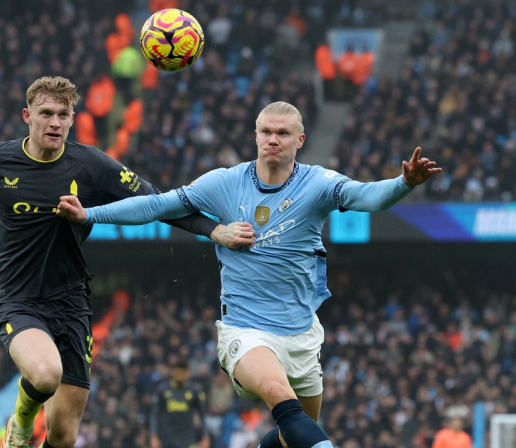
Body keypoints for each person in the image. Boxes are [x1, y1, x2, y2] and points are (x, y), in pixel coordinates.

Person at [0, 75, 252, 448]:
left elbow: (156, 201)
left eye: (63, 114)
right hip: (16, 298)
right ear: (28, 116)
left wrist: (214, 230)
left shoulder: (90, 165)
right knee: (44, 376)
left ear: (73, 119)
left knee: (62, 436)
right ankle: (21, 423)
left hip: (71, 303)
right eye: (46, 113)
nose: (55, 122)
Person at [57, 101, 442, 448]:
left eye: (283, 133)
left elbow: (368, 197)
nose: (273, 139)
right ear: (256, 135)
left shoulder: (319, 185)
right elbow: (158, 206)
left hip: (302, 333)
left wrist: (403, 183)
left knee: (296, 432)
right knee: (277, 392)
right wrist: (90, 214)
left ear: (300, 139)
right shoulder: (225, 183)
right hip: (246, 330)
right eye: (267, 132)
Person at [150, 359, 209, 448]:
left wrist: (205, 436)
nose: (180, 374)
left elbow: (202, 415)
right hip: (166, 439)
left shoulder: (195, 390)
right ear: (172, 371)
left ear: (188, 372)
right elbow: (154, 414)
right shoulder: (162, 390)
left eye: (183, 371)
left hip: (188, 439)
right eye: (178, 371)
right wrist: (153, 435)